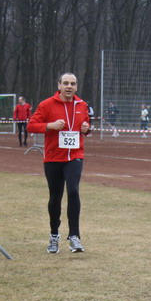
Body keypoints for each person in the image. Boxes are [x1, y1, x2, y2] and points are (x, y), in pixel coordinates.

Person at [27, 72, 92, 254]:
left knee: (73, 191)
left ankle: (74, 236)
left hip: (74, 156)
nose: (69, 86)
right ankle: (54, 235)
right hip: (53, 157)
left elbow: (85, 127)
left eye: (72, 84)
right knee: (55, 196)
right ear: (59, 85)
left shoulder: (82, 105)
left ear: (76, 87)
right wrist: (49, 125)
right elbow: (31, 125)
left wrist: (86, 129)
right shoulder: (46, 104)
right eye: (66, 83)